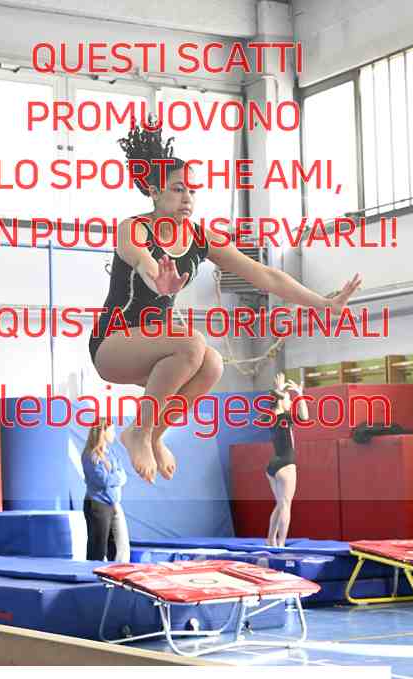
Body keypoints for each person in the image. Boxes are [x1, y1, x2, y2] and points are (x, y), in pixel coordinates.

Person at [89, 118, 362, 484]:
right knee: (192, 343)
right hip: (113, 344)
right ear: (154, 191)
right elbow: (139, 257)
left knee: (213, 364)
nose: (188, 198)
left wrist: (323, 305)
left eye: (192, 190)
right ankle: (139, 431)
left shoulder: (201, 238)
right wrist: (157, 276)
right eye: (177, 189)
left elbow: (265, 275)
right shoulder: (134, 228)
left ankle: (154, 435)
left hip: (157, 351)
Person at [265, 373, 308, 547]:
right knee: (285, 505)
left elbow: (275, 402)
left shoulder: (272, 417)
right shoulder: (284, 418)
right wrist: (300, 394)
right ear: (281, 401)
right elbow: (304, 416)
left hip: (273, 466)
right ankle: (281, 543)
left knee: (280, 503)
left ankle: (270, 540)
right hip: (286, 464)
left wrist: (279, 392)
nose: (291, 402)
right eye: (288, 400)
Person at [81, 418, 130, 562]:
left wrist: (115, 476)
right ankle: (90, 572)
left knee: (120, 546)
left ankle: (117, 571)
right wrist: (117, 477)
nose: (114, 433)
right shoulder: (90, 455)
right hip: (98, 504)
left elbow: (123, 475)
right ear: (103, 431)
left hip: (113, 503)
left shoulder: (110, 453)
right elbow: (103, 481)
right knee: (98, 548)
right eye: (112, 430)